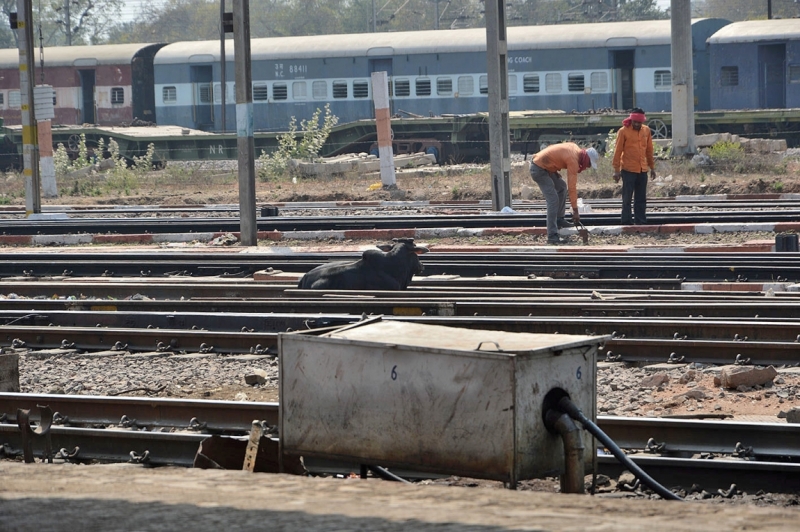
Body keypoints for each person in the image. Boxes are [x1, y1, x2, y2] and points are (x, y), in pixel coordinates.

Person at [529, 142, 599, 245]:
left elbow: (554, 150)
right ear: (586, 158)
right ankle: (552, 236)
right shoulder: (573, 160)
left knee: (561, 187)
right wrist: (575, 210)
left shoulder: (575, 148)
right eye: (589, 164)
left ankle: (559, 219)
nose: (587, 167)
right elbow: (572, 187)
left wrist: (553, 168)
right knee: (553, 200)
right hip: (539, 169)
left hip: (545, 167)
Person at [612, 108, 657, 225]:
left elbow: (649, 150)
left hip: (642, 170)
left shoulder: (646, 131)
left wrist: (652, 167)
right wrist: (616, 170)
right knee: (627, 198)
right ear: (631, 120)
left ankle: (640, 221)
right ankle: (626, 221)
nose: (637, 124)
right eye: (635, 122)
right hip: (628, 169)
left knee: (641, 198)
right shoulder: (623, 131)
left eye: (639, 122)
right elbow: (618, 151)